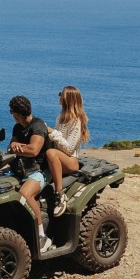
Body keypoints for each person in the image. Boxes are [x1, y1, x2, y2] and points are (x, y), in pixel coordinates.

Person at [7, 95, 54, 252]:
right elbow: (11, 146)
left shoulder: (38, 127)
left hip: (40, 170)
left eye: (11, 111)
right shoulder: (18, 127)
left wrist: (19, 148)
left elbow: (34, 150)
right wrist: (15, 145)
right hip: (21, 169)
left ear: (17, 113)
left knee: (25, 194)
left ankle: (42, 237)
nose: (11, 115)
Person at [45, 86, 90, 217]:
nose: (59, 97)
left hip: (70, 161)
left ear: (67, 99)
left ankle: (60, 195)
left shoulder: (77, 121)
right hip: (60, 158)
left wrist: (53, 133)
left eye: (61, 94)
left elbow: (69, 149)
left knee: (51, 153)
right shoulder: (60, 118)